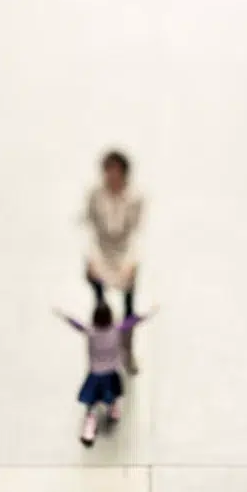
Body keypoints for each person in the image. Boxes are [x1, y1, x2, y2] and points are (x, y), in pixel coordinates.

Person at [58, 302, 152, 447]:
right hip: (111, 372)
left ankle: (89, 426)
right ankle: (113, 409)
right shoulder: (116, 330)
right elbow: (130, 323)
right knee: (112, 392)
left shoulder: (90, 332)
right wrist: (146, 314)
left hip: (95, 373)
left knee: (92, 400)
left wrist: (64, 316)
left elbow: (77, 325)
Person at [83, 150, 143, 371]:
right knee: (100, 306)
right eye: (109, 172)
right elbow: (88, 230)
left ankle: (127, 349)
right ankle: (99, 352)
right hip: (100, 252)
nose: (112, 177)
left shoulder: (135, 198)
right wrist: (92, 260)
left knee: (129, 305)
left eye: (116, 172)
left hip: (125, 255)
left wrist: (130, 264)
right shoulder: (94, 196)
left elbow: (138, 234)